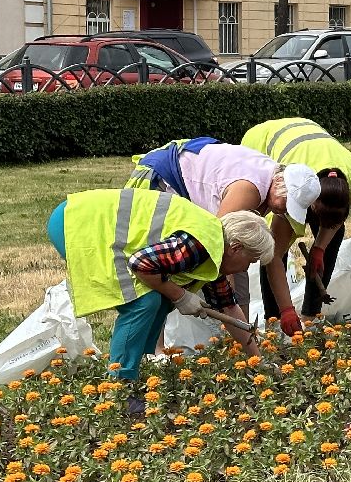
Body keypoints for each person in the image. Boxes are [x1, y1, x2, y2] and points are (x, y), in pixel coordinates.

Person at [45, 188, 276, 398]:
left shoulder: (214, 253)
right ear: (236, 248)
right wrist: (180, 296)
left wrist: (258, 361)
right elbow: (141, 264)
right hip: (78, 222)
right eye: (252, 260)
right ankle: (119, 387)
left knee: (158, 297)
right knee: (144, 301)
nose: (247, 268)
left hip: (87, 220)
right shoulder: (197, 245)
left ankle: (132, 370)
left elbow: (228, 307)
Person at [126, 137, 323, 339]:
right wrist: (220, 302)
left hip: (203, 205)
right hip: (163, 178)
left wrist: (286, 310)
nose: (284, 210)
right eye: (287, 203)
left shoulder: (276, 192)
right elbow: (217, 247)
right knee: (162, 270)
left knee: (237, 267)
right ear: (280, 183)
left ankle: (241, 341)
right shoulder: (249, 190)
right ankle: (154, 349)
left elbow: (272, 256)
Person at [241, 118, 351, 328]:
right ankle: (275, 320)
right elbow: (273, 255)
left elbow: (335, 218)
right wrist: (286, 310)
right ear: (309, 203)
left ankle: (311, 314)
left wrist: (320, 248)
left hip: (310, 145)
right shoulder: (296, 184)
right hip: (264, 141)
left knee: (336, 234)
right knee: (271, 244)